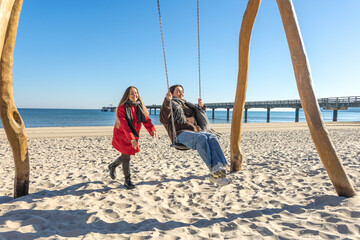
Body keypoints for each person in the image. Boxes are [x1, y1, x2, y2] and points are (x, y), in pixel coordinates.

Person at [160, 84, 230, 186]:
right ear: (171, 94)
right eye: (178, 91)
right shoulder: (171, 105)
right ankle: (212, 169)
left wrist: (201, 108)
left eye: (182, 91)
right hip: (181, 134)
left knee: (212, 137)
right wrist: (167, 101)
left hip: (196, 131)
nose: (181, 93)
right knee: (202, 138)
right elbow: (164, 119)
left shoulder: (188, 105)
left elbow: (198, 117)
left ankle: (218, 167)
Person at [109, 86, 158, 189]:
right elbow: (125, 125)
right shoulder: (122, 108)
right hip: (122, 134)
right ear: (127, 95)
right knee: (126, 156)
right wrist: (132, 139)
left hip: (133, 134)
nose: (134, 95)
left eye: (136, 93)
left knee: (127, 155)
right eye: (131, 93)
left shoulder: (140, 106)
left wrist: (152, 130)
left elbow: (146, 120)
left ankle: (113, 165)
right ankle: (127, 181)